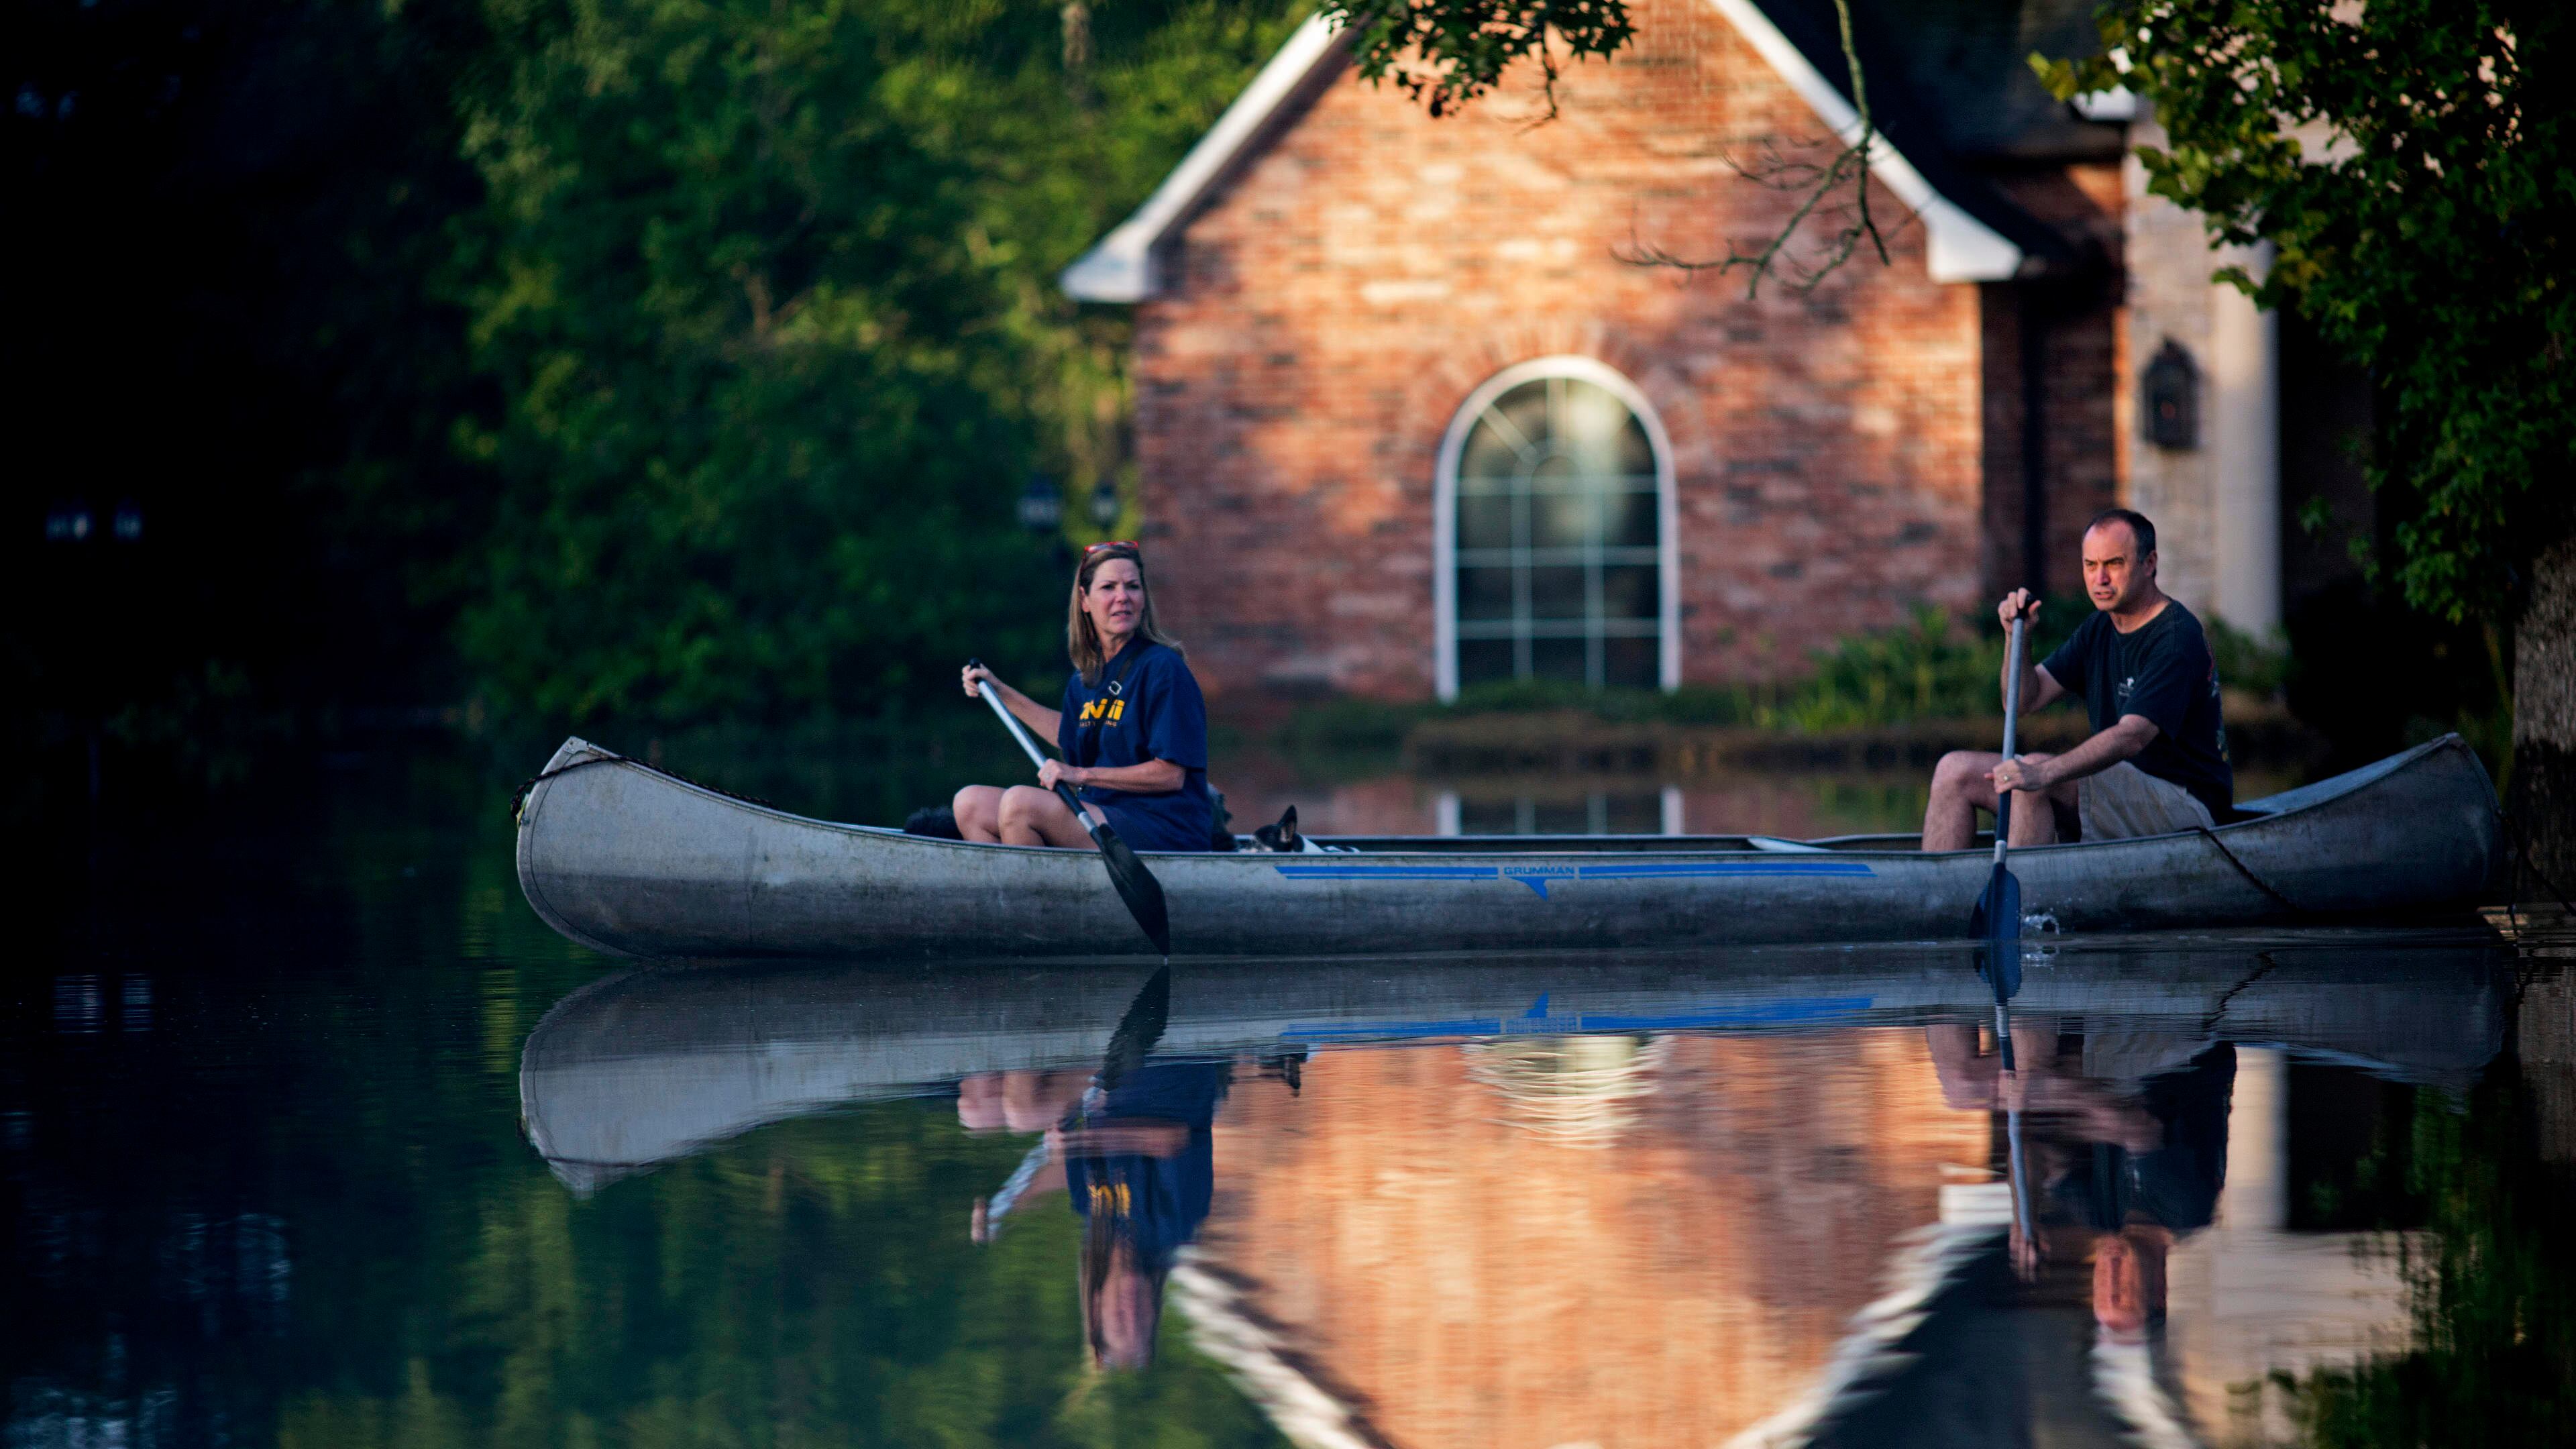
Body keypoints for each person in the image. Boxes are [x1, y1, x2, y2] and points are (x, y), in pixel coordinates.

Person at [1923, 508, 2234, 851]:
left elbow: (2132, 736)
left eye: (2114, 564)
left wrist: (2043, 773)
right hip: (2115, 791)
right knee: (1954, 771)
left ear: (2149, 564)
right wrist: (2017, 637)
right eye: (2091, 565)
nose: (2100, 579)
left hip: (2186, 805)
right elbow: (2023, 700)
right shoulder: (2099, 627)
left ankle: (2028, 903)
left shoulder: (2175, 638)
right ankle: (1936, 899)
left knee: (2037, 776)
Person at [955, 541, 1215, 852]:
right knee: (970, 804)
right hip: (1103, 812)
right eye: (1109, 587)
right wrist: (1000, 692)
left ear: (1144, 599)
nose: (1123, 597)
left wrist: (1081, 774)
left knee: (1020, 804)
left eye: (1132, 586)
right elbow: (1071, 733)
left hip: (1163, 825)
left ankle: (1043, 898)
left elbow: (1171, 775)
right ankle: (1016, 895)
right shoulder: (1086, 679)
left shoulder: (1163, 669)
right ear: (1085, 600)